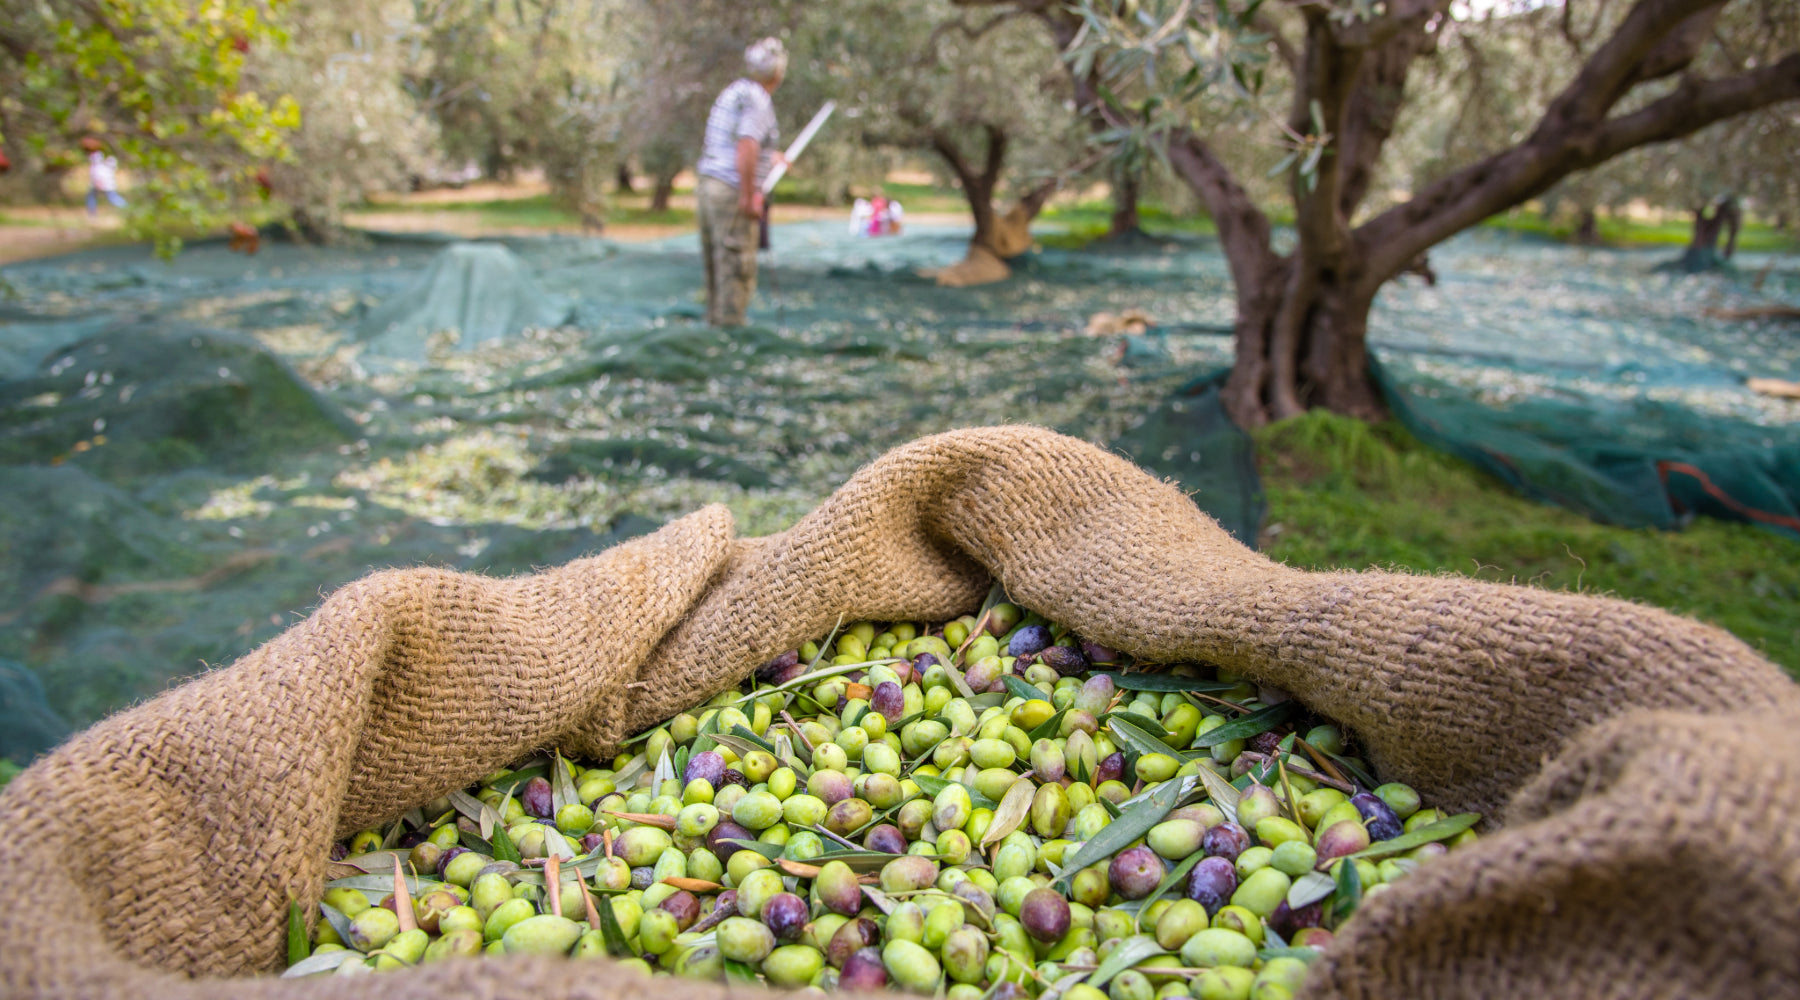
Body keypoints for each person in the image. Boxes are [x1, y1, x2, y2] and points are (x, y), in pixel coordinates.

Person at [696, 38, 790, 327]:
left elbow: (739, 142)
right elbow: (747, 145)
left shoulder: (735, 92)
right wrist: (749, 197)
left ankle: (715, 325)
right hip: (732, 191)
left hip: (709, 185)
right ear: (777, 73)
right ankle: (729, 334)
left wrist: (769, 157)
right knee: (736, 267)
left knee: (718, 263)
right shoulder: (759, 99)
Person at [83, 139, 126, 217]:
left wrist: (99, 180)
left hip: (101, 180)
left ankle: (126, 208)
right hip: (107, 180)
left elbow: (98, 169)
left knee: (111, 197)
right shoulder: (108, 156)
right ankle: (127, 209)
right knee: (93, 197)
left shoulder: (97, 156)